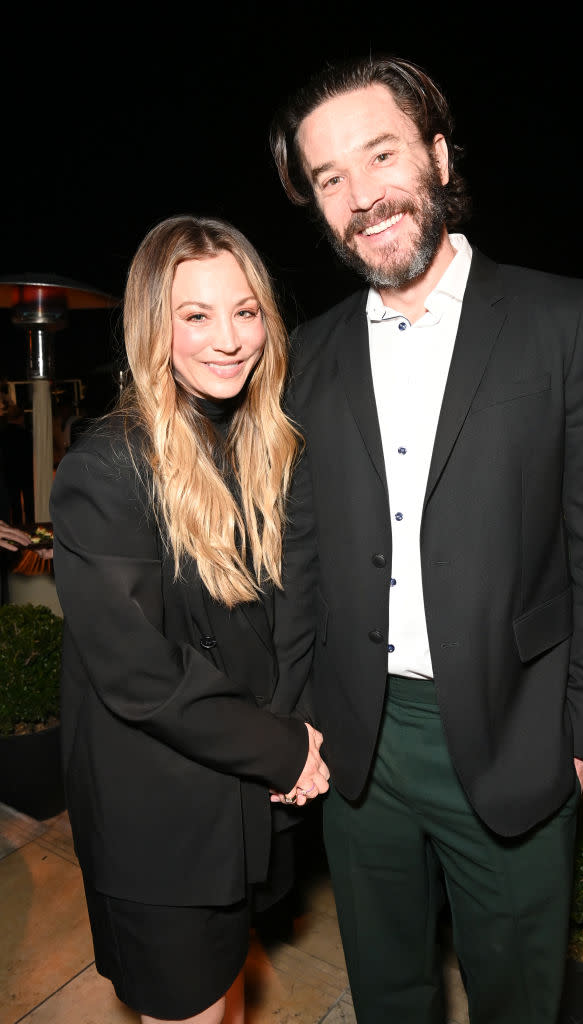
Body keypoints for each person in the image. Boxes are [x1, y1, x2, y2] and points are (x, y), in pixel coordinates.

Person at [268, 56, 583, 1023]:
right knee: (388, 994)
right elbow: (302, 552)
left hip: (521, 735)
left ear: (435, 156)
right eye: (329, 179)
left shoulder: (563, 318)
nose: (362, 196)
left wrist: (581, 740)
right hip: (360, 746)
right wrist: (301, 711)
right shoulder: (309, 355)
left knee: (517, 997)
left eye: (380, 154)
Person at [49, 215, 330, 1024]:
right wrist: (284, 750)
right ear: (151, 326)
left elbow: (292, 612)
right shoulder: (105, 465)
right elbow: (139, 675)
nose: (228, 339)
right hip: (161, 822)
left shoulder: (261, 444)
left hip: (242, 801)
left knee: (228, 1000)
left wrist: (299, 729)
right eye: (195, 315)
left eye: (245, 311)